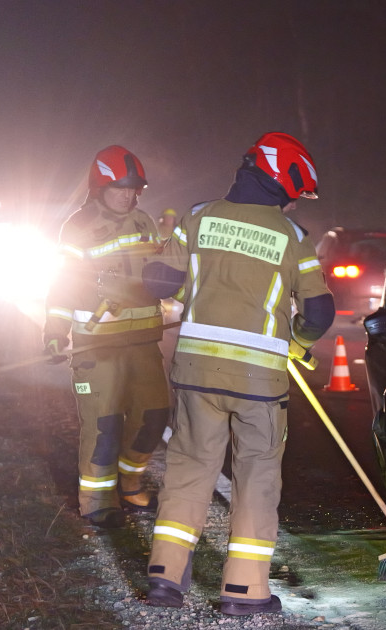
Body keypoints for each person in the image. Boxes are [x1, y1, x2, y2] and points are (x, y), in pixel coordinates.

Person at [140, 132, 334, 615]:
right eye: (293, 196)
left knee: (187, 469)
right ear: (280, 183)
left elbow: (158, 282)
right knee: (257, 478)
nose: (291, 206)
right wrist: (300, 343)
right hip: (259, 383)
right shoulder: (292, 238)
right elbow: (320, 311)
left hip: (195, 371)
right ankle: (243, 592)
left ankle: (165, 579)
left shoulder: (197, 216)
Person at [43, 145, 171, 529]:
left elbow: (161, 274)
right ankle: (97, 500)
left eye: (135, 188)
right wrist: (54, 332)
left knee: (154, 416)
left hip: (145, 343)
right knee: (104, 425)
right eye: (121, 188)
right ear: (100, 187)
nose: (129, 195)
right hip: (97, 347)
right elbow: (63, 284)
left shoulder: (145, 221)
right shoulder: (77, 227)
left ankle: (130, 483)